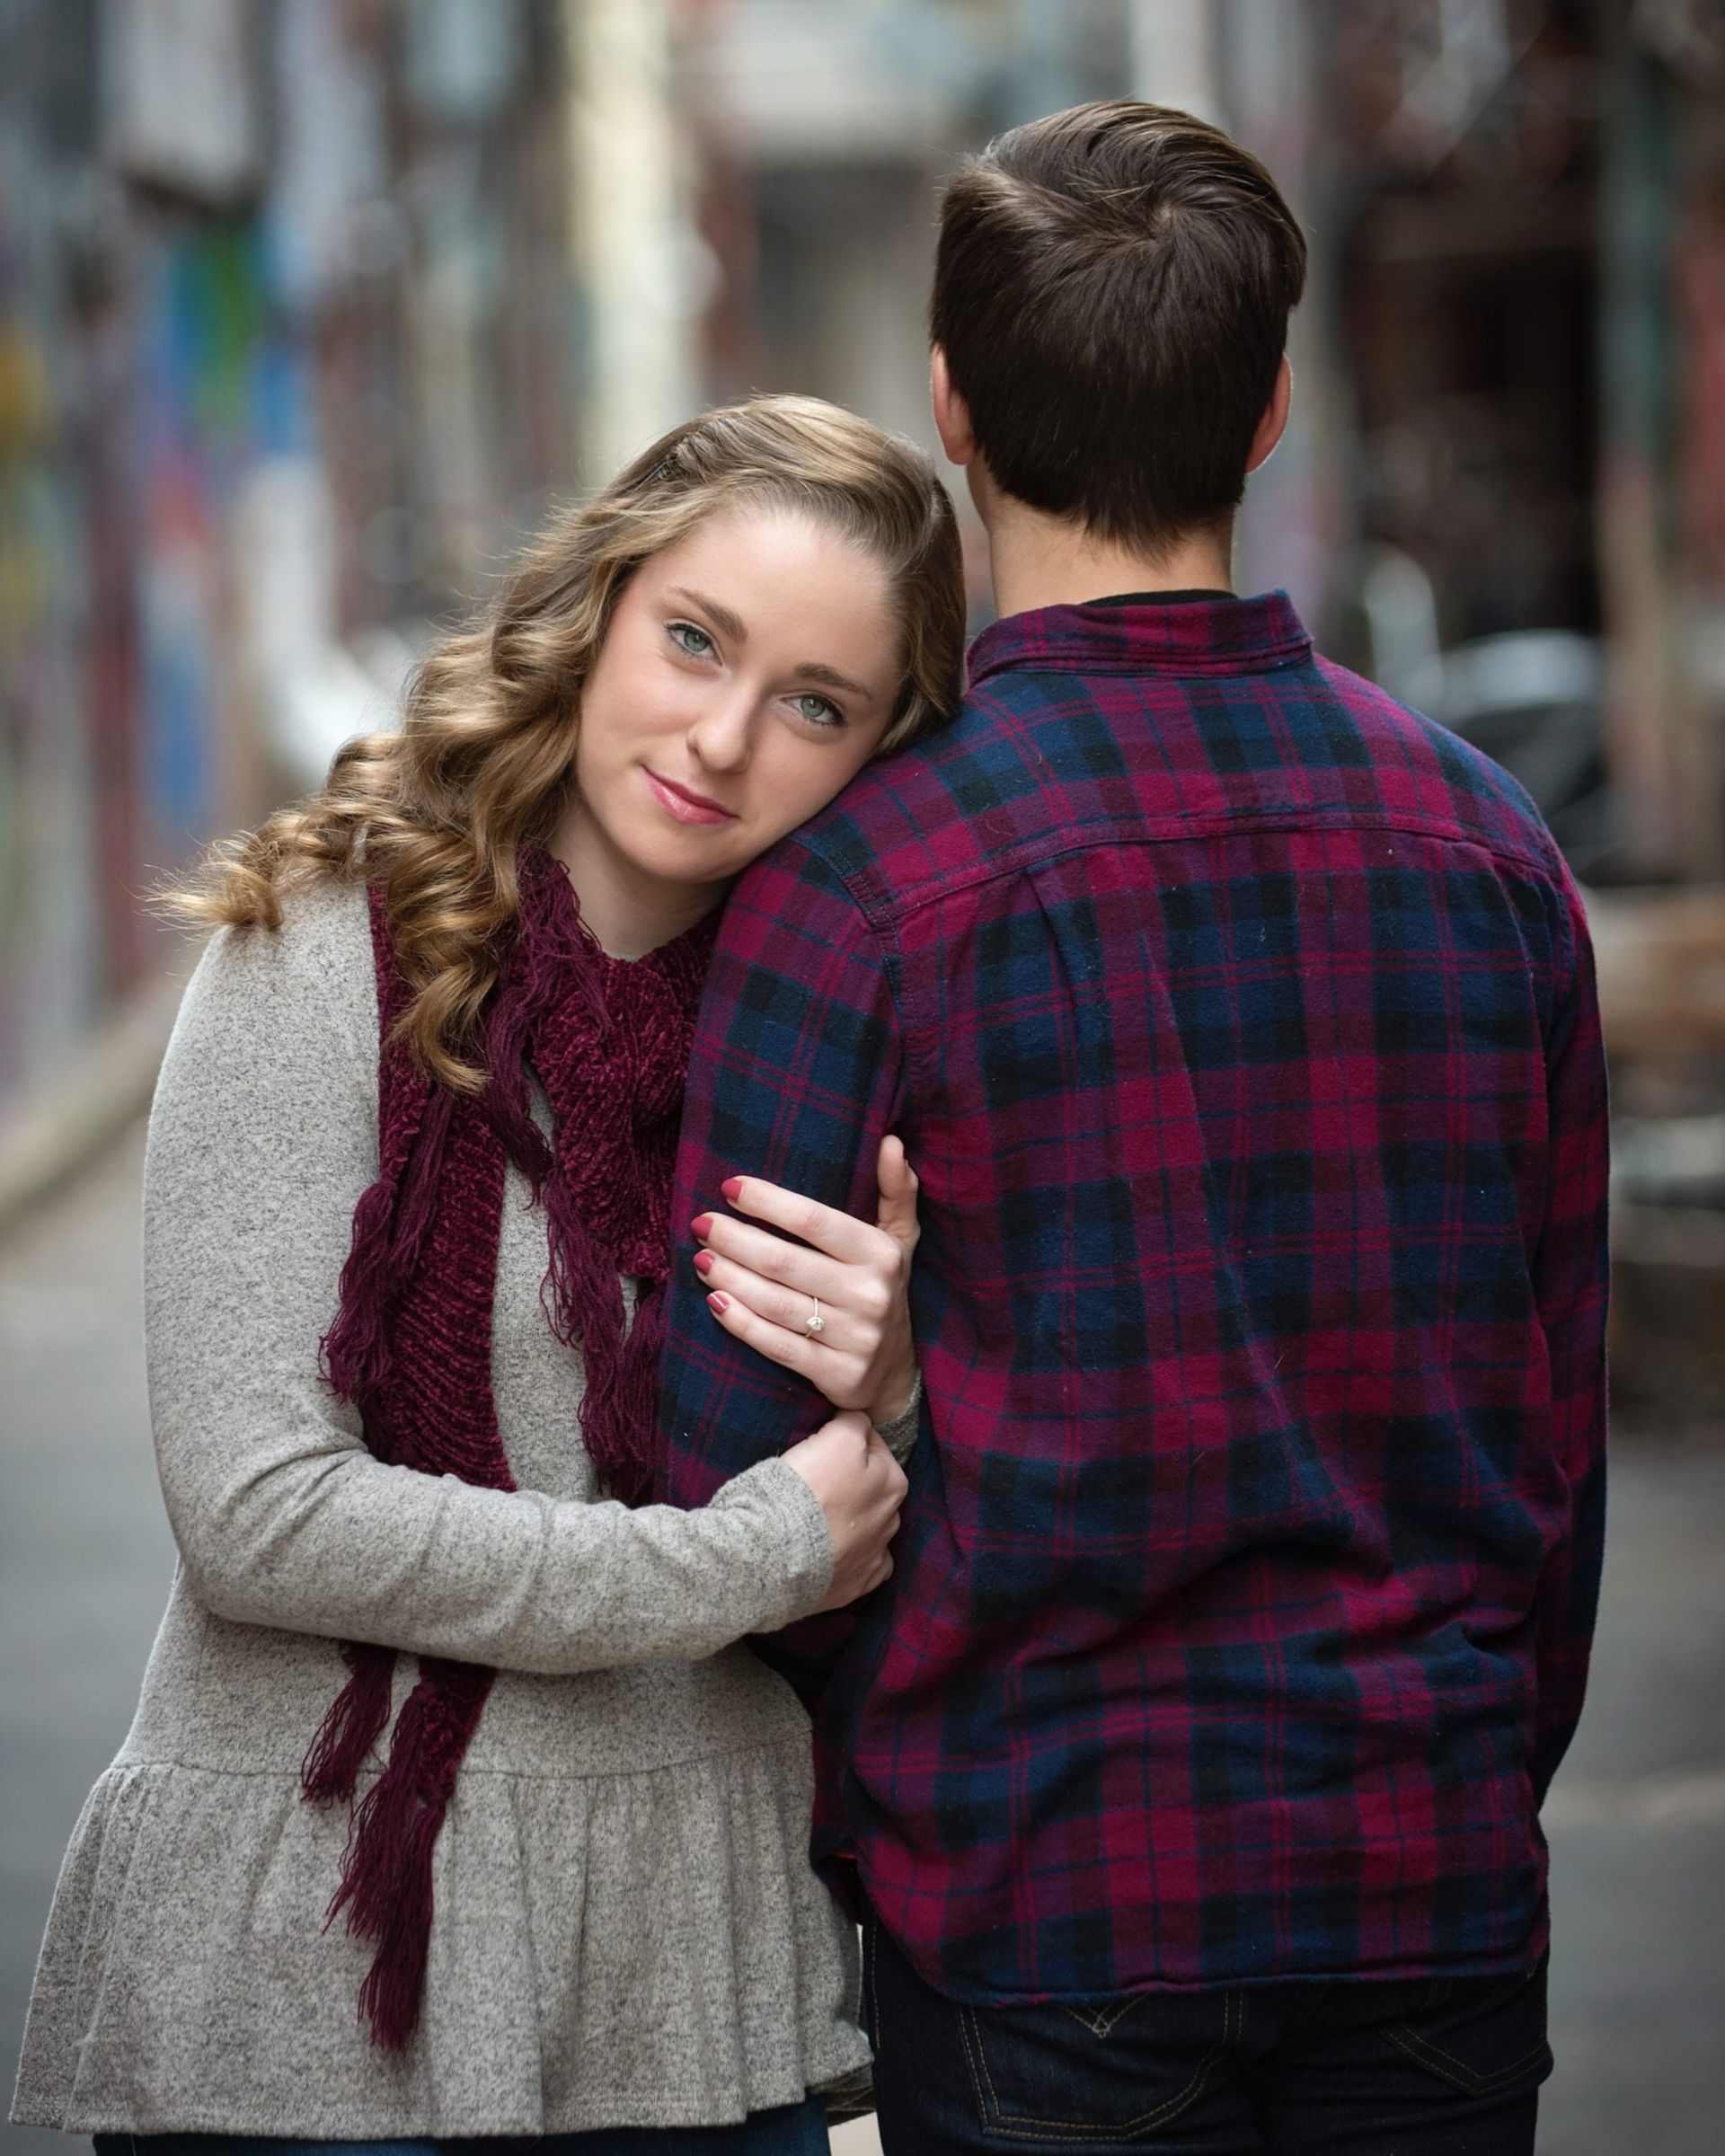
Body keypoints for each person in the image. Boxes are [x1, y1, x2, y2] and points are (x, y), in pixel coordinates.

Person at [660, 104, 1610, 2156]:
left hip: (1034, 1903)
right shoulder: (1491, 853)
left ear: (949, 410)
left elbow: (728, 1466)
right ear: (1272, 411)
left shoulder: (858, 892)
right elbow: (1561, 1441)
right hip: (1425, 1887)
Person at [12, 394, 967, 2153]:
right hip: (320, 1964)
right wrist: (735, 1561)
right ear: (600, 605)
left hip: (698, 1972)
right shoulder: (330, 941)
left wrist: (900, 1390)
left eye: (814, 705)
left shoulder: (840, 1053)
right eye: (696, 642)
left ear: (875, 754)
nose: (725, 736)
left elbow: (890, 1559)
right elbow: (256, 1516)